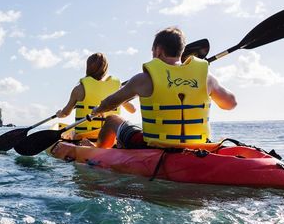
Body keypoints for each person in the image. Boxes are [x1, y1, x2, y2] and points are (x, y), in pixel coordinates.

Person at [90, 27, 237, 149]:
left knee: (112, 119)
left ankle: (98, 153)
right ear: (181, 51)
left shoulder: (143, 79)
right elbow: (231, 104)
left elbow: (111, 103)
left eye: (152, 50)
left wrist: (97, 110)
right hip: (198, 146)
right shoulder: (206, 77)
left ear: (158, 50)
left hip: (156, 147)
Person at [56, 52, 135, 140]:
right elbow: (132, 110)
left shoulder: (79, 89)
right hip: (110, 138)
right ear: (105, 68)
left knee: (71, 133)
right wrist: (122, 101)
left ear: (88, 68)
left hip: (84, 137)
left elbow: (65, 113)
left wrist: (59, 114)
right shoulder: (117, 87)